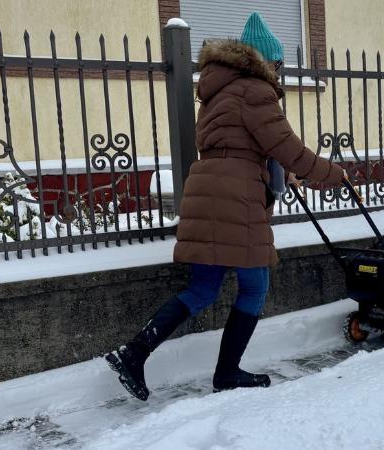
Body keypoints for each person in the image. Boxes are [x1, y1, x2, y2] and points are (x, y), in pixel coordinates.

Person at [106, 12, 345, 401]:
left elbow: (247, 144)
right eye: (279, 63)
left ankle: (133, 353)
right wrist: (336, 174)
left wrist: (282, 170)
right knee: (255, 286)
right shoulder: (256, 91)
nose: (281, 72)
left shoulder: (218, 92)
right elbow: (288, 147)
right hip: (237, 199)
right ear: (263, 62)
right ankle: (227, 373)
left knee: (203, 288)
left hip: (207, 190)